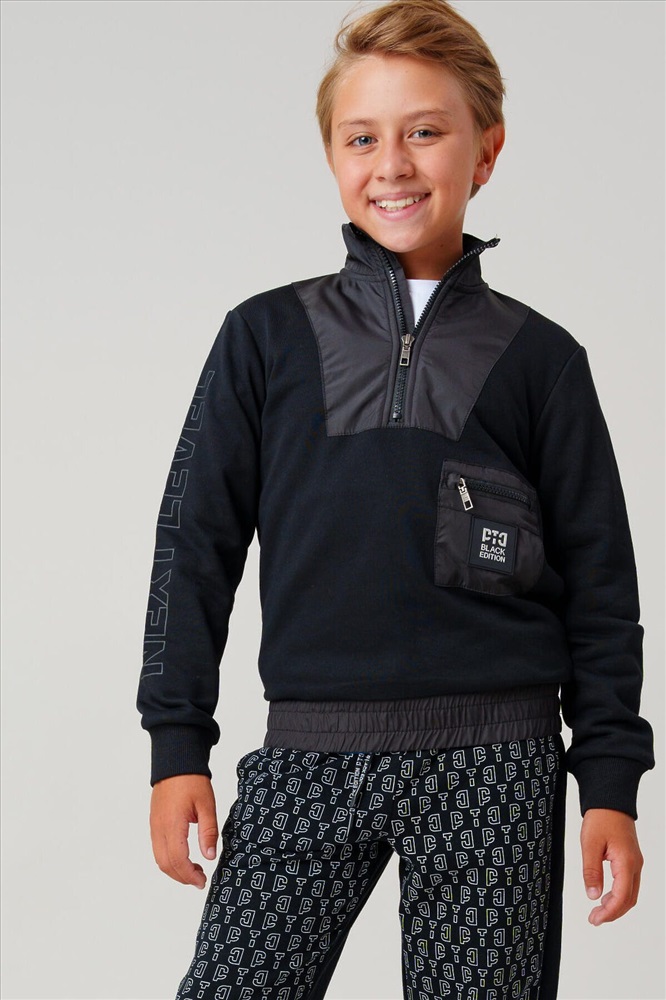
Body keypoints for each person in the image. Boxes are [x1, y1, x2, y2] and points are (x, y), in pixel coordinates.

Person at [136, 1, 655, 997]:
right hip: (308, 750)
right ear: (333, 155)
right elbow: (193, 545)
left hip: (496, 763)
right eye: (362, 138)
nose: (393, 165)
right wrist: (176, 747)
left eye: (424, 131)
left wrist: (609, 782)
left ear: (486, 150)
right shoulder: (264, 338)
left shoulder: (542, 360)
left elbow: (601, 584)